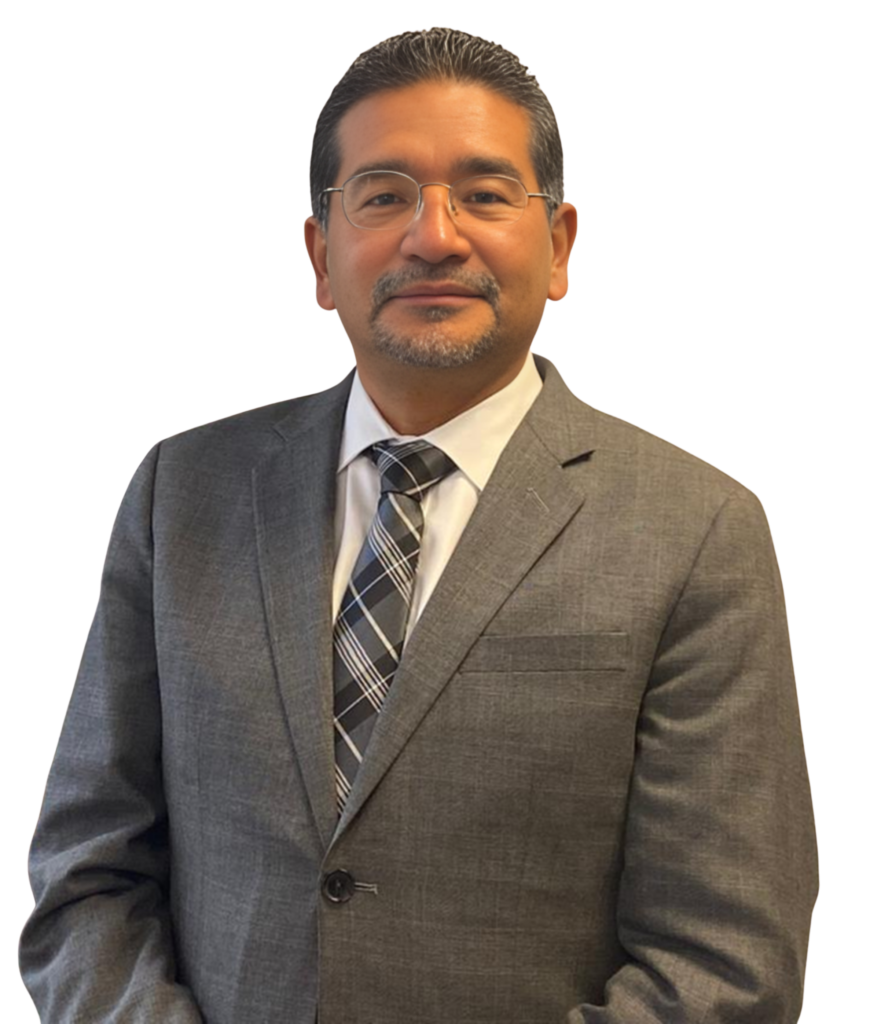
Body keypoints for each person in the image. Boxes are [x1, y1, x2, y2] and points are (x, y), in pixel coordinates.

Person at [20, 26, 819, 1024]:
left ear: (560, 245)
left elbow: (726, 964)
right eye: (383, 195)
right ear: (320, 256)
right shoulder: (181, 492)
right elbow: (86, 874)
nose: (433, 236)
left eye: (484, 194)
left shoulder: (697, 530)